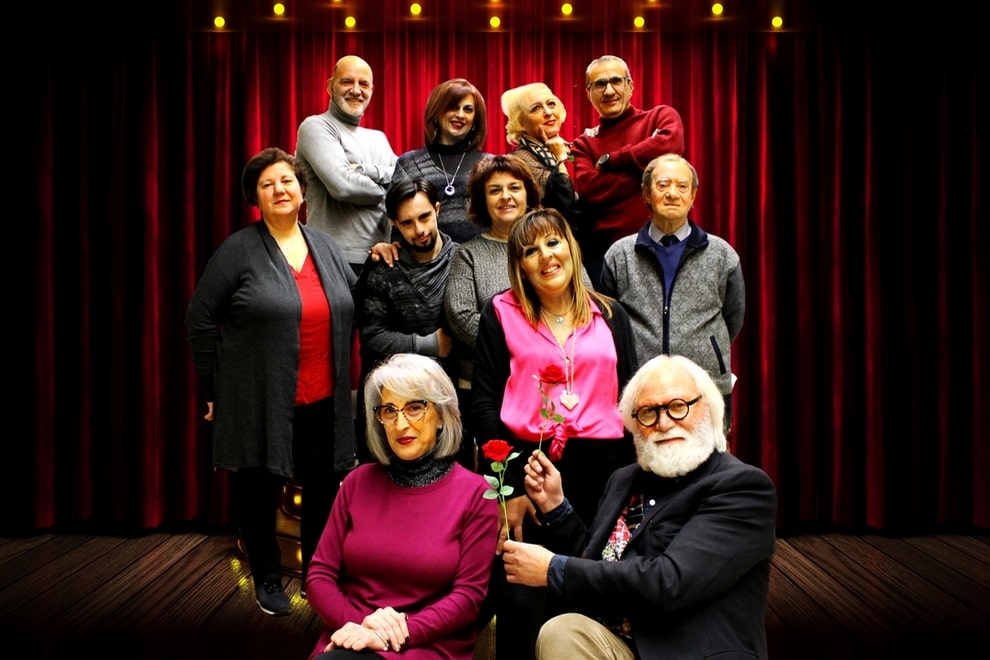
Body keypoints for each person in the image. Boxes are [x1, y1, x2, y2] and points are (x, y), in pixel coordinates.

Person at [501, 353, 777, 660]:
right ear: (633, 425)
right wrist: (557, 508)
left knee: (562, 631)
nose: (664, 423)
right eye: (648, 412)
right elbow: (600, 564)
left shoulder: (742, 488)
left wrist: (553, 569)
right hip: (622, 644)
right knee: (563, 631)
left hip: (689, 653)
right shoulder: (624, 479)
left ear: (709, 410)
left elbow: (669, 583)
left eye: (678, 407)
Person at [185, 147, 357, 617]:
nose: (280, 189)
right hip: (261, 398)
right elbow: (199, 318)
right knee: (258, 490)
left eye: (287, 181)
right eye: (268, 184)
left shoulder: (325, 246)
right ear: (255, 198)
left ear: (302, 191)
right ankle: (265, 574)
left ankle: (318, 578)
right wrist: (215, 390)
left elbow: (354, 298)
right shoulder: (238, 250)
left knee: (322, 490)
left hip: (324, 397)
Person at [472, 207, 638, 659]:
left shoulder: (611, 313)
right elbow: (484, 404)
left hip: (606, 477)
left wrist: (633, 487)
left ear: (571, 247)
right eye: (530, 250)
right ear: (519, 265)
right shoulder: (500, 313)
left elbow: (631, 399)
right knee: (522, 599)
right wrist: (508, 489)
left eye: (553, 242)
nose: (546, 256)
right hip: (530, 470)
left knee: (590, 588)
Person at [306, 353, 500, 660]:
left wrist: (389, 634)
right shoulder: (357, 483)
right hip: (351, 635)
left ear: (442, 415)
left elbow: (468, 598)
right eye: (389, 410)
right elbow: (319, 576)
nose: (400, 423)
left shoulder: (477, 495)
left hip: (427, 643)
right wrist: (363, 626)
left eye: (414, 408)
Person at [599, 153, 744, 433]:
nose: (673, 194)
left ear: (692, 196)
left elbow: (733, 318)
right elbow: (608, 323)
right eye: (663, 185)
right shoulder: (620, 255)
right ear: (646, 194)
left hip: (706, 385)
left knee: (709, 459)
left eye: (682, 186)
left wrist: (706, 346)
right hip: (640, 385)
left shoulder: (722, 255)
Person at [353, 178, 462, 464]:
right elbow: (372, 336)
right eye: (408, 223)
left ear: (437, 209)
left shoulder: (462, 260)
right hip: (394, 402)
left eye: (425, 217)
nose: (420, 230)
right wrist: (429, 344)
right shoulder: (384, 267)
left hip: (448, 400)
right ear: (395, 224)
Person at [570, 54, 685, 284]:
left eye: (616, 81)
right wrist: (648, 174)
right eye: (600, 84)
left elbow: (670, 144)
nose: (609, 91)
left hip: (659, 248)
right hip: (603, 257)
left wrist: (611, 160)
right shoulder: (583, 144)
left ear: (630, 86)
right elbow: (590, 190)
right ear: (588, 93)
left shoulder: (659, 117)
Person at [295, 55, 397, 274]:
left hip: (383, 259)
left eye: (364, 84)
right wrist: (387, 189)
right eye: (347, 81)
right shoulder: (316, 127)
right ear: (330, 87)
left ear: (371, 90)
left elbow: (404, 180)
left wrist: (361, 170)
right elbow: (344, 187)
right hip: (332, 259)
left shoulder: (379, 138)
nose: (356, 90)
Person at [393, 78, 492, 244]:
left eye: (468, 109)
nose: (460, 115)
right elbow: (395, 220)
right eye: (453, 107)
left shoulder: (491, 165)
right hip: (427, 258)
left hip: (481, 256)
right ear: (437, 112)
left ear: (475, 120)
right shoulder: (408, 164)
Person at [500, 82, 577, 222]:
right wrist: (560, 157)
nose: (548, 112)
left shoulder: (572, 149)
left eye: (551, 104)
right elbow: (565, 202)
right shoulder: (519, 161)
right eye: (536, 108)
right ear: (520, 122)